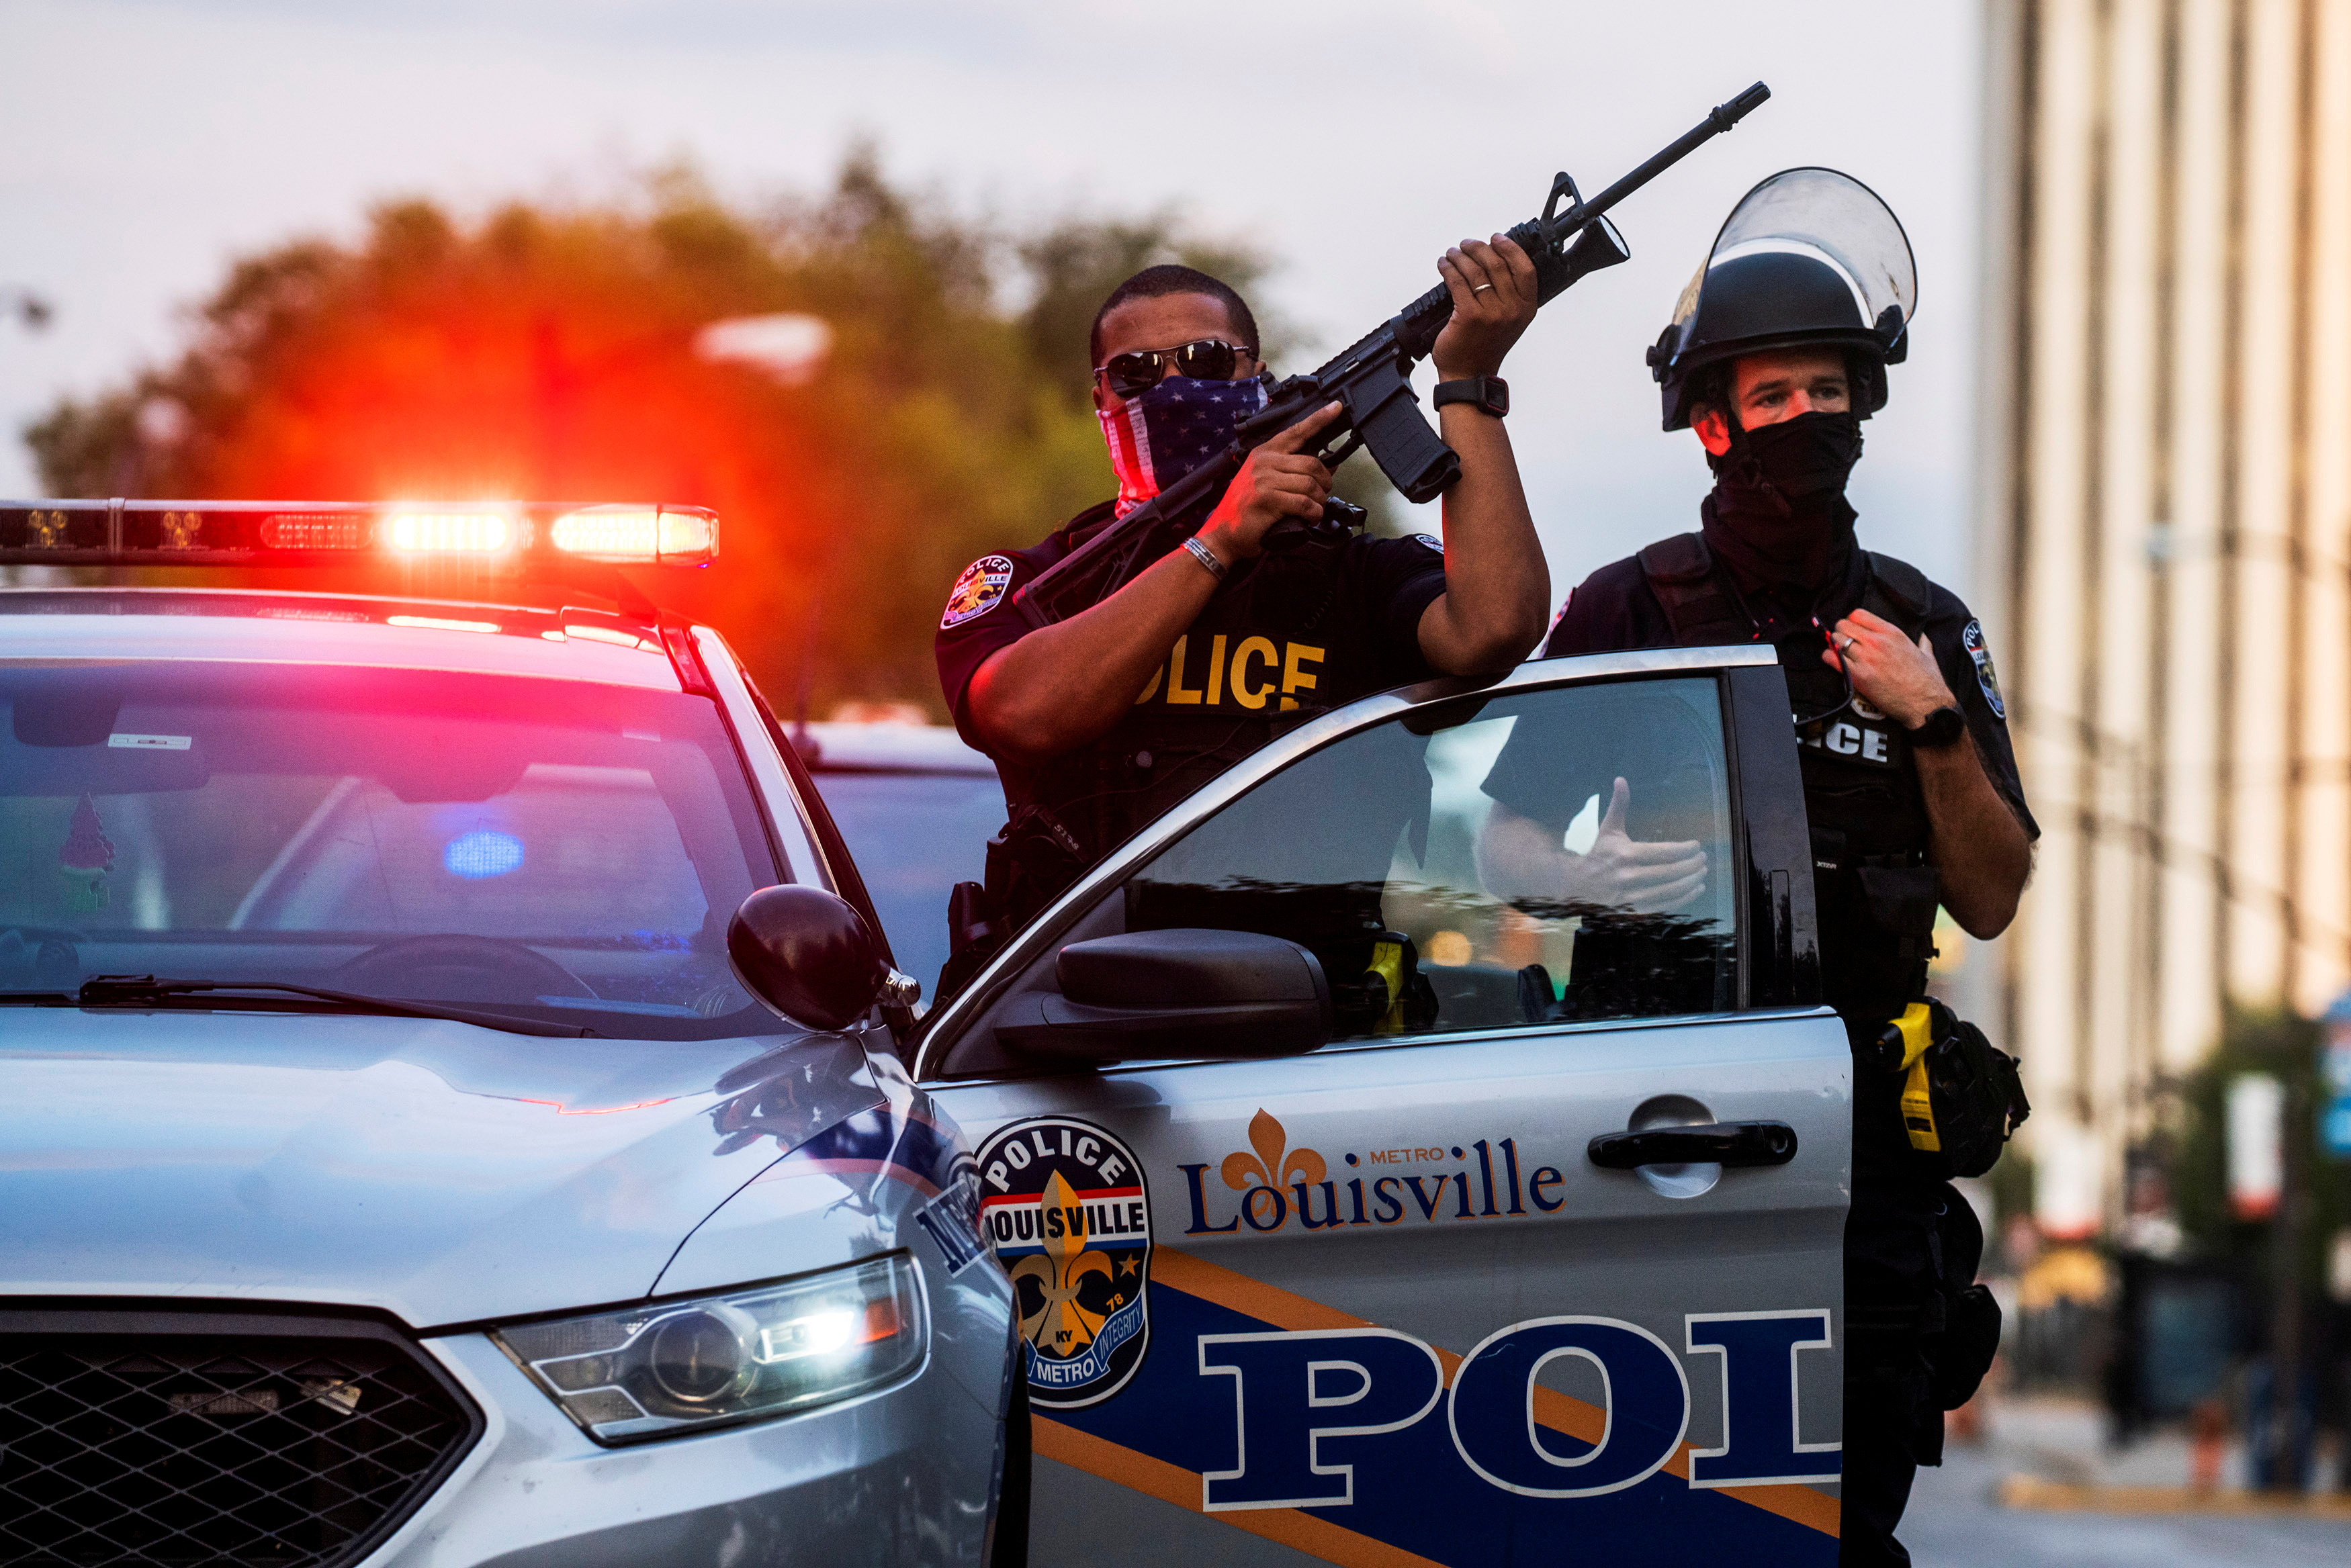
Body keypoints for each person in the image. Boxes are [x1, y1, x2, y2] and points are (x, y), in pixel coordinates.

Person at [1475, 169, 2036, 1566]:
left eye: (1826, 392)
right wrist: (1588, 881)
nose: (1803, 422)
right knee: (1627, 1511)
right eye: (1771, 398)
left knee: (1841, 1528)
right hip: (1644, 1122)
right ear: (1712, 422)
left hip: (1858, 1154)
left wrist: (1934, 722)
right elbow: (1497, 844)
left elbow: (1993, 890)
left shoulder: (1924, 623)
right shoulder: (1633, 607)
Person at [934, 249, 1552, 978]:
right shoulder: (1036, 579)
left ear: (1255, 380)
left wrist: (1466, 382)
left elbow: (1496, 625)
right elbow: (1019, 713)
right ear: (1100, 400)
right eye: (1135, 372)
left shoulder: (1351, 575)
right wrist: (1217, 541)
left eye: (1202, 359)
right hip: (1066, 1029)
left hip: (1300, 1037)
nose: (1170, 385)